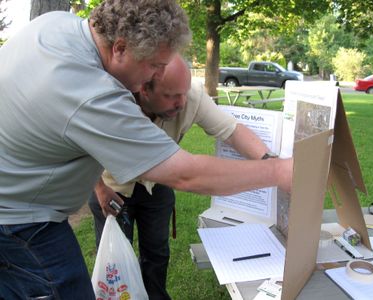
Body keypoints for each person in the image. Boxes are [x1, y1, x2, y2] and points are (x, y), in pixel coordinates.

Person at [0, 1, 292, 299]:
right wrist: (280, 170)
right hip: (21, 224)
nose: (154, 76)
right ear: (120, 48)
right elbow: (185, 174)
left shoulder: (55, 25)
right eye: (154, 65)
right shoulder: (93, 92)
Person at [89, 54, 273, 299]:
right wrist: (99, 188)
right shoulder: (112, 98)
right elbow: (82, 146)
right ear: (144, 89)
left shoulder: (190, 97)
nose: (181, 103)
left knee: (157, 254)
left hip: (159, 184)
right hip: (112, 187)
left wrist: (271, 163)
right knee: (116, 260)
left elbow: (232, 131)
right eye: (171, 96)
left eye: (184, 93)